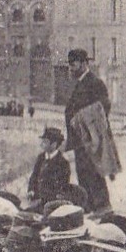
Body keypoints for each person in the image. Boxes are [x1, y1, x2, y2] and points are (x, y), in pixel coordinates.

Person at [63, 49, 113, 213]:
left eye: (74, 64)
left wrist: (81, 120)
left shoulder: (95, 83)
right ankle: (90, 208)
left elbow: (103, 107)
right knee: (83, 173)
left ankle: (102, 207)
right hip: (80, 140)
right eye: (69, 64)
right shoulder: (80, 84)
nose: (70, 68)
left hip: (91, 139)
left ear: (84, 64)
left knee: (94, 173)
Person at [27, 127, 73, 210]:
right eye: (42, 141)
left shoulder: (62, 162)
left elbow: (62, 186)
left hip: (52, 203)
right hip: (37, 200)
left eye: (45, 142)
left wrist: (44, 200)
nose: (42, 144)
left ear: (54, 144)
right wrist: (31, 190)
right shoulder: (41, 157)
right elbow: (34, 176)